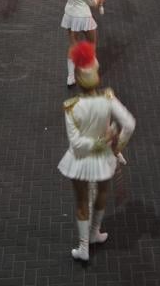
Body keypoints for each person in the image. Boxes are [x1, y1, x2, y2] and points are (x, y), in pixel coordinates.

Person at [58, 42, 135, 263]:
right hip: (104, 160)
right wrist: (117, 145)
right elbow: (129, 124)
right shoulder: (108, 100)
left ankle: (84, 247)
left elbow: (76, 144)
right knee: (102, 194)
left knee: (82, 202)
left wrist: (100, 143)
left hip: (80, 161)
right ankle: (94, 233)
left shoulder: (71, 107)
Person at [62, 0, 104, 86]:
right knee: (91, 43)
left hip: (70, 14)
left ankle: (70, 77)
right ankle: (90, 71)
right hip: (84, 16)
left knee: (73, 45)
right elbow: (92, 2)